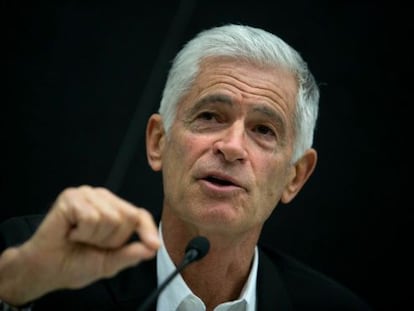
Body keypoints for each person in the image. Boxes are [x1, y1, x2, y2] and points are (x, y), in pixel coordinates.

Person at [0, 24, 371, 311]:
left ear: (295, 176)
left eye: (263, 130)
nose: (231, 147)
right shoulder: (41, 260)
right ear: (158, 141)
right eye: (210, 116)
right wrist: (16, 287)